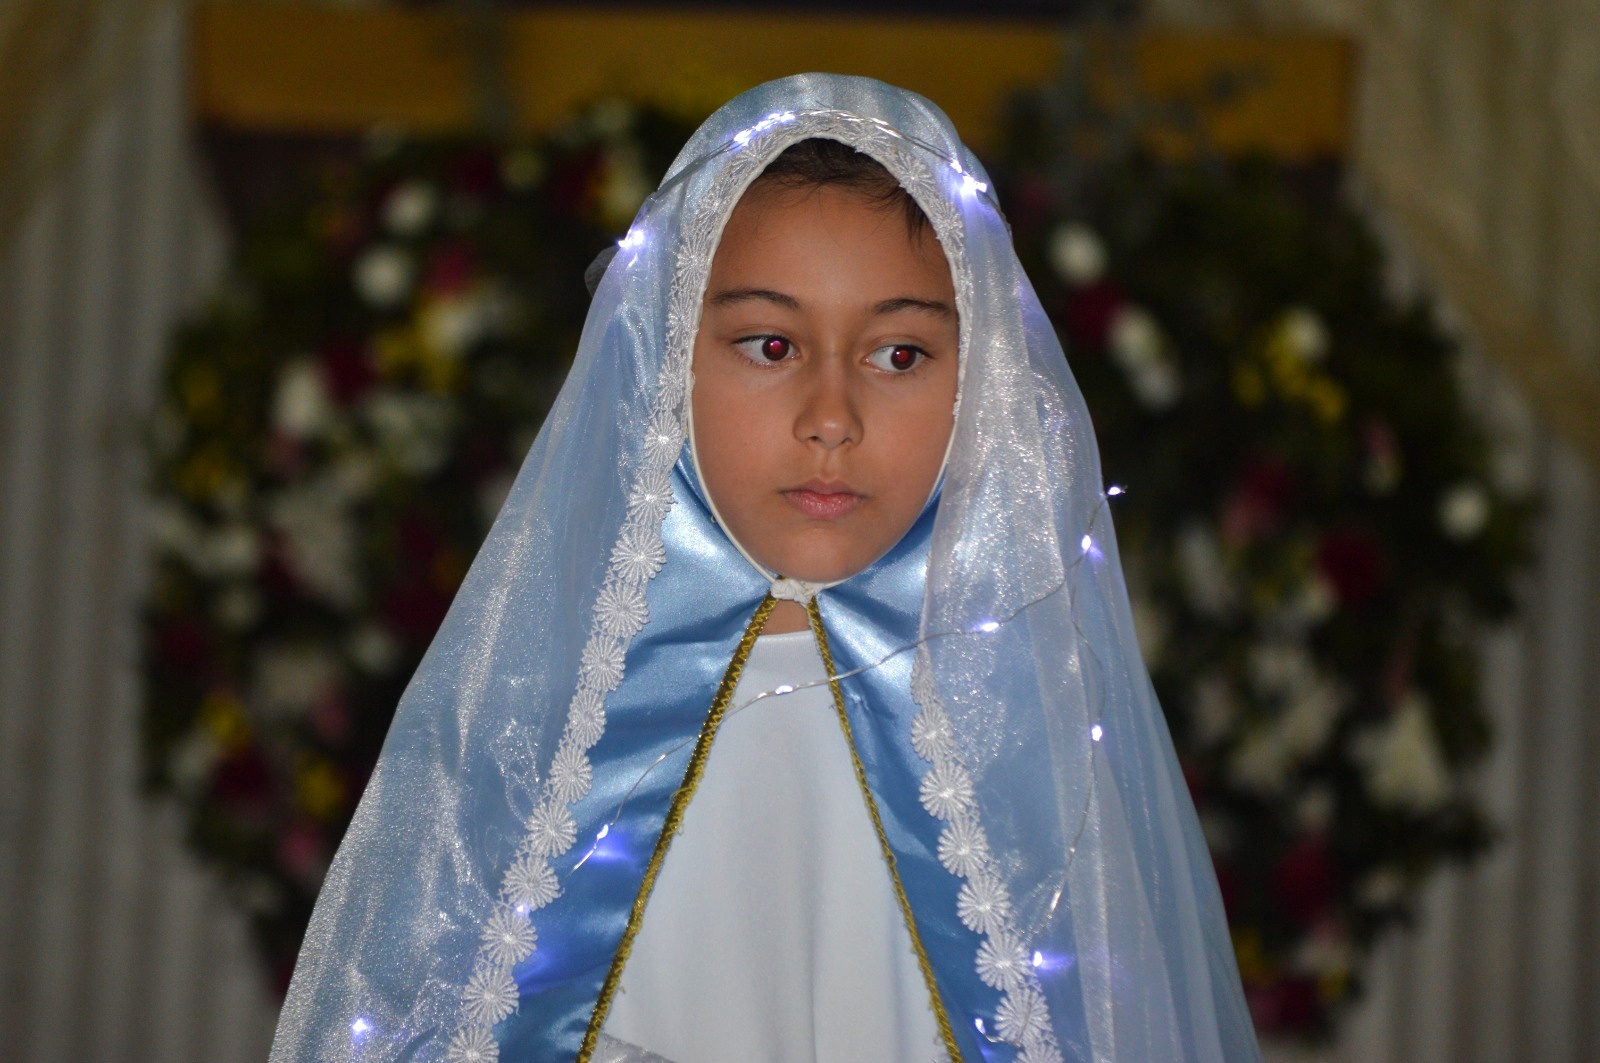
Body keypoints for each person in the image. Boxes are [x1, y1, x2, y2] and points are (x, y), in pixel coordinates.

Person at [269, 74, 1261, 1063]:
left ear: (983, 383)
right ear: (669, 362)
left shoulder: (1018, 730)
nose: (830, 417)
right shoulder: (554, 724)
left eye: (900, 354)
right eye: (771, 343)